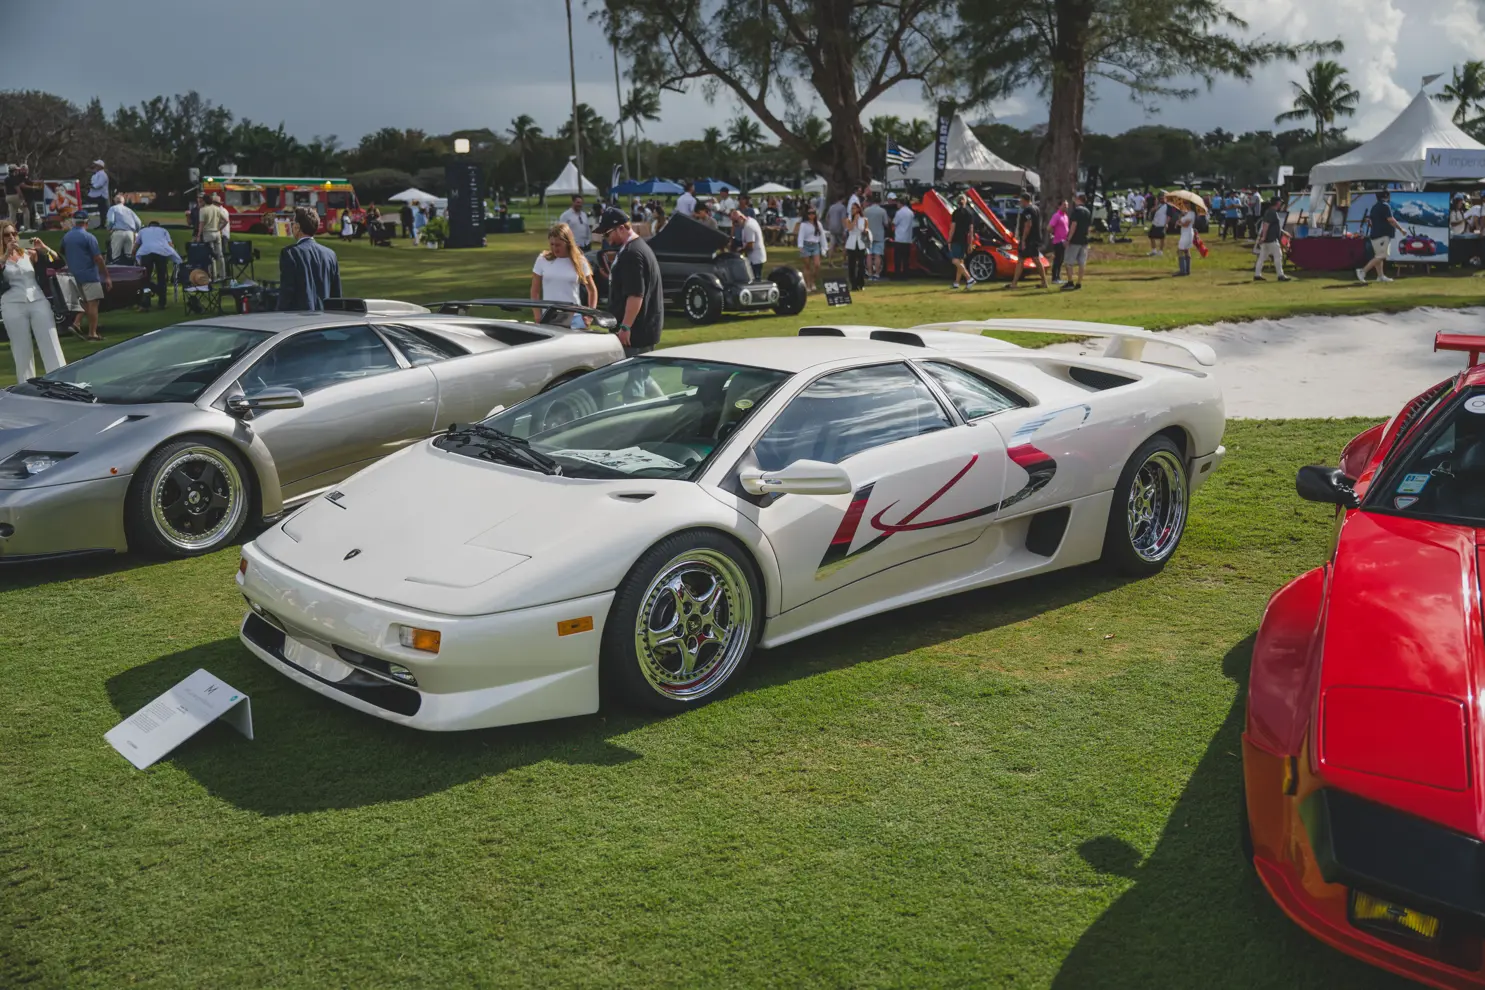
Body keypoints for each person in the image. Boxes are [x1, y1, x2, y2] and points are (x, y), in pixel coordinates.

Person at [1, 221, 66, 382]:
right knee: (21, 347)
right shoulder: (3, 258)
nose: (12, 237)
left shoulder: (28, 253)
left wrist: (44, 248)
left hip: (37, 300)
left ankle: (61, 380)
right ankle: (26, 385)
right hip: (12, 304)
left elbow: (58, 262)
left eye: (14, 233)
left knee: (50, 341)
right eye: (7, 235)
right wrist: (6, 255)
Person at [596, 208, 663, 356]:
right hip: (642, 330)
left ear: (621, 228)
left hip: (635, 334)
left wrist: (625, 327)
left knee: (633, 371)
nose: (606, 239)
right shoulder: (637, 247)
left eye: (607, 234)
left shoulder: (631, 254)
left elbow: (635, 295)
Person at [530, 222, 597, 328]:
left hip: (575, 318)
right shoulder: (542, 259)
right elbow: (535, 291)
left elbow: (592, 290)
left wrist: (590, 316)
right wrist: (537, 316)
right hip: (549, 316)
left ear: (567, 243)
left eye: (558, 245)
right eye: (552, 244)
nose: (554, 248)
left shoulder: (580, 261)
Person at [277, 207, 342, 311]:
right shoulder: (330, 255)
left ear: (297, 227)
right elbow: (336, 295)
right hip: (324, 316)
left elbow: (287, 292)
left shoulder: (290, 253)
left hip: (300, 317)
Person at [60, 211, 109, 341]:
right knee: (93, 303)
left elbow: (63, 252)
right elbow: (98, 258)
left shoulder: (66, 237)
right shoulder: (89, 237)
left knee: (85, 303)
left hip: (73, 274)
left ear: (73, 222)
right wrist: (107, 276)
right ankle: (92, 333)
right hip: (89, 274)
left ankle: (76, 323)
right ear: (86, 222)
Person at [1358, 190, 1402, 284]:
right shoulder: (1385, 206)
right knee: (1383, 255)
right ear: (1386, 196)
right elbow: (1391, 219)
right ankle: (1363, 271)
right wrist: (1401, 229)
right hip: (1383, 234)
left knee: (1378, 256)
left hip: (1374, 234)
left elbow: (1371, 221)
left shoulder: (1374, 207)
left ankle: (1380, 276)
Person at [134, 220, 181, 310]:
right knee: (161, 278)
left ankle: (145, 304)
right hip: (161, 252)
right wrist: (172, 254)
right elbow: (170, 244)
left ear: (149, 226)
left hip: (146, 252)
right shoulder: (163, 230)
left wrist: (133, 253)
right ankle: (162, 303)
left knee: (146, 278)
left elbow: (136, 244)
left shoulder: (143, 231)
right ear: (158, 226)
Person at [1007, 191, 1048, 290]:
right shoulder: (1036, 208)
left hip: (1029, 239)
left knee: (1024, 260)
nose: (1020, 202)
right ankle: (1044, 282)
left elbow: (1028, 225)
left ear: (1024, 200)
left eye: (1021, 200)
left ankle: (1014, 284)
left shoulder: (1027, 210)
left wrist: (1023, 240)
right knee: (1032, 259)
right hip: (1035, 238)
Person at [1253, 198, 1292, 282]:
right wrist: (1264, 237)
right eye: (1280, 203)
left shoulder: (1269, 212)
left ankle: (1257, 274)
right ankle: (1280, 275)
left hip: (1267, 239)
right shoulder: (1272, 213)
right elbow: (1266, 225)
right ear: (1277, 203)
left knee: (1262, 257)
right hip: (1271, 239)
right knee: (1278, 256)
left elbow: (1272, 226)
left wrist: (1283, 232)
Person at [197, 193, 231, 279]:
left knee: (211, 255)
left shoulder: (203, 210)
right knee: (220, 254)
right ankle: (223, 275)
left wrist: (199, 235)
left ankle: (214, 275)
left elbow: (201, 224)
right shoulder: (217, 209)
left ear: (204, 201)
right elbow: (226, 221)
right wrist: (219, 228)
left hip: (208, 233)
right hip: (217, 233)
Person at [1063, 193, 1091, 291]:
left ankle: (1070, 282)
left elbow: (1073, 225)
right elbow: (1088, 227)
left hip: (1075, 240)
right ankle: (1079, 283)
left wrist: (1068, 239)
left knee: (1068, 262)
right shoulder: (1088, 211)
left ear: (1079, 199)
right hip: (1084, 240)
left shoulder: (1076, 211)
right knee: (1082, 263)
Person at [948, 193, 977, 290]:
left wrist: (949, 240)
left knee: (954, 260)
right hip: (964, 239)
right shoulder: (970, 213)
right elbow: (971, 230)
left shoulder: (955, 213)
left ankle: (969, 279)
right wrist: (970, 243)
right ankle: (956, 283)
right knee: (960, 261)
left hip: (956, 238)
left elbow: (952, 228)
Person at [105, 194, 141, 264]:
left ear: (115, 201)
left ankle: (117, 268)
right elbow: (138, 222)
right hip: (130, 233)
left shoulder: (113, 208)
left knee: (116, 255)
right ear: (123, 201)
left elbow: (111, 221)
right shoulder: (129, 210)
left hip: (118, 232)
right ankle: (129, 268)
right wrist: (136, 231)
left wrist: (109, 228)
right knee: (129, 255)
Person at [795, 204, 823, 291]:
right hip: (806, 245)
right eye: (809, 213)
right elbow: (801, 235)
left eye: (813, 213)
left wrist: (824, 247)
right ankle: (807, 284)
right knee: (807, 266)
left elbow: (822, 236)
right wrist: (800, 246)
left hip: (815, 245)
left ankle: (813, 281)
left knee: (817, 265)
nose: (811, 215)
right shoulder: (804, 224)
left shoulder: (818, 224)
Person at [843, 201, 870, 291]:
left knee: (862, 264)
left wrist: (865, 230)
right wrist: (855, 220)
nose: (852, 210)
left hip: (861, 242)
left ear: (858, 209)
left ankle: (860, 283)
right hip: (852, 242)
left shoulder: (864, 219)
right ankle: (853, 284)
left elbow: (866, 229)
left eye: (854, 208)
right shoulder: (848, 219)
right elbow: (850, 228)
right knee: (852, 265)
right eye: (851, 209)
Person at [864, 195, 888, 281]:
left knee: (869, 255)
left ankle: (870, 273)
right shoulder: (882, 211)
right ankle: (877, 274)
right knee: (878, 255)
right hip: (879, 235)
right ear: (880, 202)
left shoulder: (866, 210)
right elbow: (886, 223)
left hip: (868, 235)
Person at [891, 195, 914, 277]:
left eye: (897, 203)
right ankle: (905, 274)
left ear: (900, 203)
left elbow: (894, 223)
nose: (897, 205)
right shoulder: (911, 213)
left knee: (897, 258)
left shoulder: (899, 212)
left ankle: (897, 274)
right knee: (906, 259)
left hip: (899, 238)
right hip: (908, 239)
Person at [1048, 199, 1070, 284]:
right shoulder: (1056, 216)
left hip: (1064, 241)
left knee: (1061, 260)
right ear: (1059, 206)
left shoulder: (1066, 216)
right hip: (1058, 241)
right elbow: (1049, 227)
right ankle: (1054, 278)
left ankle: (1058, 277)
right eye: (1064, 205)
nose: (1066, 207)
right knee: (1057, 259)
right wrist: (1053, 234)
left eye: (1067, 205)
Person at [1174, 199, 1195, 277]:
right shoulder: (1186, 213)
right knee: (1186, 250)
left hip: (1187, 234)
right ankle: (1187, 270)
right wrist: (1181, 217)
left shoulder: (1191, 213)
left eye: (1186, 204)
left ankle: (1183, 270)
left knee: (1180, 251)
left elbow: (1186, 225)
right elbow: (1182, 222)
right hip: (1185, 233)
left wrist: (1179, 224)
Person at [5, 165, 29, 231]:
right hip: (14, 196)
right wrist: (23, 199)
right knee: (26, 211)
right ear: (14, 171)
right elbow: (18, 190)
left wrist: (7, 196)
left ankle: (10, 230)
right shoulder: (14, 178)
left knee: (12, 214)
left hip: (8, 197)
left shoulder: (6, 178)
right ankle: (27, 228)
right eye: (16, 170)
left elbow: (5, 189)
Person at [86, 160, 109, 229]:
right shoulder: (96, 174)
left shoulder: (103, 174)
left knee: (103, 211)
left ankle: (102, 225)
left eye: (96, 165)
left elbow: (99, 184)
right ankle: (101, 225)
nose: (94, 166)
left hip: (101, 195)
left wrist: (92, 186)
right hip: (95, 195)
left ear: (100, 166)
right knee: (101, 211)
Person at [825, 193, 847, 260]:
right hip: (839, 228)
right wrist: (845, 229)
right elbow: (843, 219)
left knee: (832, 245)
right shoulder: (842, 207)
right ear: (843, 199)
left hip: (832, 228)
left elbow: (827, 217)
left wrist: (829, 225)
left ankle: (830, 261)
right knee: (844, 244)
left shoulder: (831, 207)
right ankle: (844, 261)